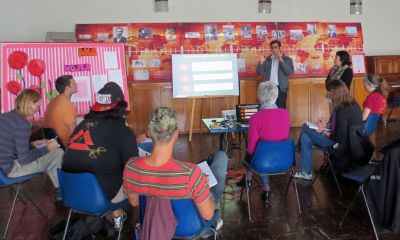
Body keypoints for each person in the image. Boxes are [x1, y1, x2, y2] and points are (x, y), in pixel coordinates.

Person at [123, 107, 228, 236]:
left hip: (153, 224)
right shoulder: (191, 173)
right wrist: (203, 186)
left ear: (149, 133)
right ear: (176, 133)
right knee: (220, 158)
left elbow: (134, 203)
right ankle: (206, 229)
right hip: (190, 225)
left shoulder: (131, 167)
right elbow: (208, 214)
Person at [62, 82, 139, 230]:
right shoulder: (122, 131)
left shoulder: (81, 125)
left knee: (105, 167)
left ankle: (116, 215)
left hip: (71, 193)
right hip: (101, 198)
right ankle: (133, 223)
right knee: (142, 178)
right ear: (120, 107)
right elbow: (133, 169)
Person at [295, 80, 363, 180]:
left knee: (305, 127)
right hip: (352, 143)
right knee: (305, 137)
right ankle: (306, 172)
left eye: (329, 92)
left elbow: (339, 137)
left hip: (340, 147)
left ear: (335, 94)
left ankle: (297, 149)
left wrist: (322, 131)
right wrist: (326, 124)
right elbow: (340, 126)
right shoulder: (352, 104)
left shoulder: (341, 111)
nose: (326, 94)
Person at [237, 82, 290, 202]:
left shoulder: (255, 118)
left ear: (259, 97)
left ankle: (256, 184)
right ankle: (248, 180)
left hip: (264, 161)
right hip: (285, 160)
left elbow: (251, 149)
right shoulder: (285, 114)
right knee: (265, 150)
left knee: (258, 153)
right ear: (276, 96)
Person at [0, 89, 63, 189]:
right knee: (58, 152)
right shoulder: (22, 124)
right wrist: (47, 148)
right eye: (37, 105)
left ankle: (60, 189)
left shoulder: (5, 117)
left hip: (2, 169)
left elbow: (10, 145)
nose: (38, 109)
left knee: (51, 153)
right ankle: (62, 192)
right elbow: (25, 160)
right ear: (29, 103)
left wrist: (32, 144)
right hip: (12, 169)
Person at [256, 40, 294, 109]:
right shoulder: (267, 59)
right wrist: (261, 63)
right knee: (268, 108)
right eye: (272, 48)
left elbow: (289, 72)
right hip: (268, 88)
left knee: (281, 108)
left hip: (281, 88)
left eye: (276, 47)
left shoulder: (287, 59)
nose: (274, 49)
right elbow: (259, 72)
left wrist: (281, 61)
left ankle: (281, 120)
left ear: (280, 48)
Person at [44, 75, 77, 147]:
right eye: (74, 83)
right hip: (65, 146)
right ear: (67, 89)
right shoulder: (68, 105)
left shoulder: (53, 101)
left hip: (53, 144)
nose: (76, 84)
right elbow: (74, 133)